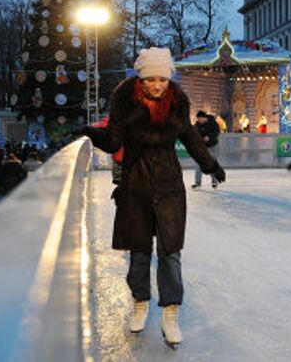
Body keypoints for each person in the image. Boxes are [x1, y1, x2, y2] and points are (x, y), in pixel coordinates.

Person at [82, 47, 226, 348]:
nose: (158, 85)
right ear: (141, 78)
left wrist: (210, 164)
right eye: (151, 79)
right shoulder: (125, 97)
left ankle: (171, 311)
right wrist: (93, 133)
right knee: (138, 251)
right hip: (135, 183)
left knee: (170, 251)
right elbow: (114, 141)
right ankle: (140, 302)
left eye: (163, 78)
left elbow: (189, 135)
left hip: (169, 183)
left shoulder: (177, 99)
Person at [191, 111, 220, 189]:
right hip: (201, 147)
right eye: (198, 119)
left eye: (200, 119)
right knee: (198, 164)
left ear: (204, 117)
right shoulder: (197, 124)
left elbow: (217, 132)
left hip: (212, 146)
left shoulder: (212, 122)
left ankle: (214, 181)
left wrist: (209, 137)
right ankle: (197, 183)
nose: (199, 121)